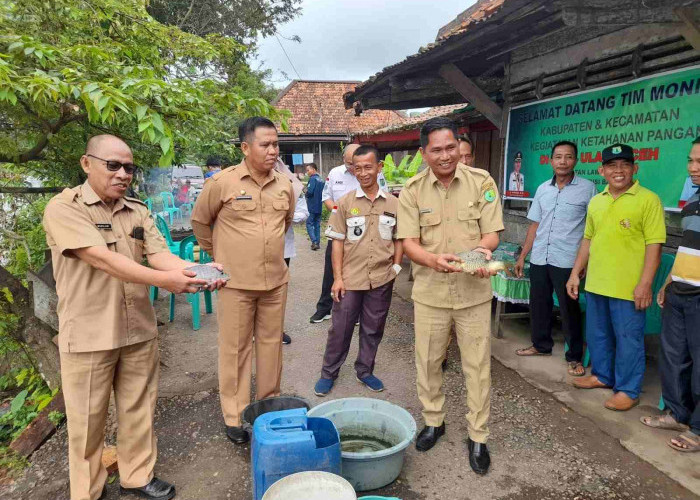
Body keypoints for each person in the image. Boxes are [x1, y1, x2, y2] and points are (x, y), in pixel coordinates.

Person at [42, 135, 226, 500]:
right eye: (113, 165)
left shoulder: (137, 210)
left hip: (138, 327)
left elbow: (159, 255)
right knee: (87, 423)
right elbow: (102, 259)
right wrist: (167, 282)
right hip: (90, 332)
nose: (123, 173)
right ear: (86, 163)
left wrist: (196, 270)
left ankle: (136, 476)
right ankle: (88, 491)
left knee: (139, 409)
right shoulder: (65, 208)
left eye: (129, 167)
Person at [397, 117, 504, 475]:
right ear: (424, 153)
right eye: (437, 150)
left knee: (478, 367)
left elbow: (492, 235)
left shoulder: (481, 182)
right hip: (430, 293)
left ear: (460, 146)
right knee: (427, 362)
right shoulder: (412, 190)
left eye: (451, 147)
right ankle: (434, 421)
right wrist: (432, 260)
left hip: (473, 292)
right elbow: (409, 244)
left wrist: (478, 253)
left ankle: (478, 436)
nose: (445, 156)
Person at [191, 117, 295, 445]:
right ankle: (234, 416)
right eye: (265, 144)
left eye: (276, 144)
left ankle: (267, 407)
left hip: (275, 281)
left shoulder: (284, 185)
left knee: (270, 347)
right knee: (235, 350)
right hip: (234, 283)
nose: (272, 150)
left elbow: (287, 221)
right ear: (245, 147)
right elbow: (200, 222)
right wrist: (220, 256)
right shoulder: (222, 183)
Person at [566, 143, 665, 411]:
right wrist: (575, 273)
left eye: (624, 165)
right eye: (612, 165)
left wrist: (645, 284)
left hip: (629, 287)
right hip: (597, 283)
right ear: (602, 170)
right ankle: (602, 376)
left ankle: (628, 390)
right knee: (598, 335)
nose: (618, 171)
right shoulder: (597, 201)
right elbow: (588, 240)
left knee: (628, 340)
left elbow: (654, 246)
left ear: (635, 168)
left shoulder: (648, 199)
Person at [313, 145, 403, 397]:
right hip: (350, 279)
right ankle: (328, 373)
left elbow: (400, 238)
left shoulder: (394, 204)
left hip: (382, 278)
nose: (363, 173)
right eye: (357, 168)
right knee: (340, 328)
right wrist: (338, 278)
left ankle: (365, 370)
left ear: (379, 167)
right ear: (352, 169)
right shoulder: (345, 203)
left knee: (373, 328)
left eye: (368, 167)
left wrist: (396, 266)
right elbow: (337, 242)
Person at [515, 141, 597, 377]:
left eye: (568, 157)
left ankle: (574, 357)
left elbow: (592, 230)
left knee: (569, 308)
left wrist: (584, 263)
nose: (563, 161)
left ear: (576, 160)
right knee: (539, 303)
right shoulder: (542, 189)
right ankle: (541, 345)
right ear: (551, 160)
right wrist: (523, 256)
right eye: (558, 157)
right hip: (541, 255)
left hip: (567, 259)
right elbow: (535, 225)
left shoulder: (588, 189)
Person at [641, 137, 700, 452]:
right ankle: (677, 414)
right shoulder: (691, 206)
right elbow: (685, 249)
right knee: (674, 358)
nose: (693, 168)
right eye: (691, 160)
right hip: (679, 291)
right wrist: (666, 284)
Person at [309, 144, 388, 323]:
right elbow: (326, 197)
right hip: (340, 228)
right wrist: (340, 213)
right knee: (331, 270)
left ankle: (358, 311)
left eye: (358, 164)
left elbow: (384, 198)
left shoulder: (374, 173)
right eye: (350, 164)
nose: (355, 169)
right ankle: (324, 308)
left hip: (365, 232)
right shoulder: (335, 173)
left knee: (362, 269)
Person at [276, 157, 308, 345]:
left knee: (278, 290)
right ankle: (251, 331)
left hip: (282, 248)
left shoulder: (291, 186)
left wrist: (284, 216)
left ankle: (276, 330)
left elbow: (303, 213)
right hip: (249, 249)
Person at [305, 163, 324, 250]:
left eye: (308, 170)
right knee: (317, 224)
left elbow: (310, 192)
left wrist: (305, 192)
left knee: (309, 223)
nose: (307, 172)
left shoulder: (312, 179)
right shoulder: (321, 180)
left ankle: (314, 241)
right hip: (319, 205)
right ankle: (318, 242)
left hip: (311, 206)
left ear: (313, 169)